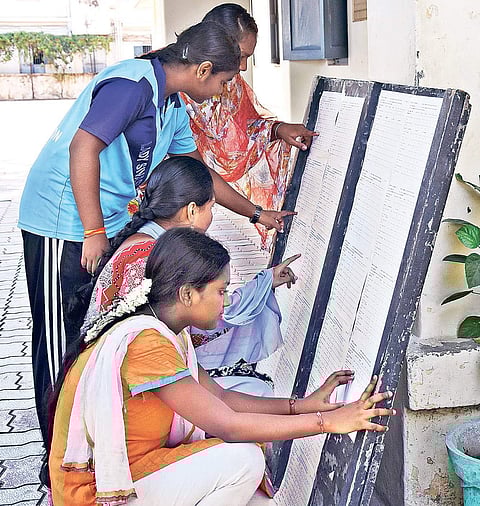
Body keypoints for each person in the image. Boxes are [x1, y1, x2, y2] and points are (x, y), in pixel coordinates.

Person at [18, 21, 291, 444]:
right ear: (202, 70)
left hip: (100, 222)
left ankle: (86, 443)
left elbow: (199, 171)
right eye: (224, 80)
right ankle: (58, 461)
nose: (223, 91)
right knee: (60, 344)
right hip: (62, 223)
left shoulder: (173, 104)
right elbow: (83, 147)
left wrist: (255, 213)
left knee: (87, 338)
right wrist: (93, 231)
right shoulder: (133, 85)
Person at [48, 227, 395, 505]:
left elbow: (220, 398)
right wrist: (327, 422)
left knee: (260, 500)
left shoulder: (168, 331)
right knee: (243, 461)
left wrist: (299, 406)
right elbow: (227, 425)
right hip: (97, 493)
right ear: (187, 294)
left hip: (140, 468)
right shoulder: (145, 342)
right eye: (221, 291)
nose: (226, 301)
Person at [75, 156, 298, 397]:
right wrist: (261, 286)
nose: (211, 216)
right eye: (211, 208)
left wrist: (265, 283)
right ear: (192, 210)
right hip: (127, 392)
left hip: (110, 380)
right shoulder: (158, 256)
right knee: (254, 391)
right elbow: (204, 319)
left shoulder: (142, 241)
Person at [181, 3, 317, 246]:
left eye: (248, 58)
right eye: (241, 56)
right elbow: (195, 166)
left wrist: (277, 129)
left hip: (200, 202)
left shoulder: (230, 83)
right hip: (163, 201)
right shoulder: (175, 87)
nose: (243, 67)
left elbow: (243, 128)